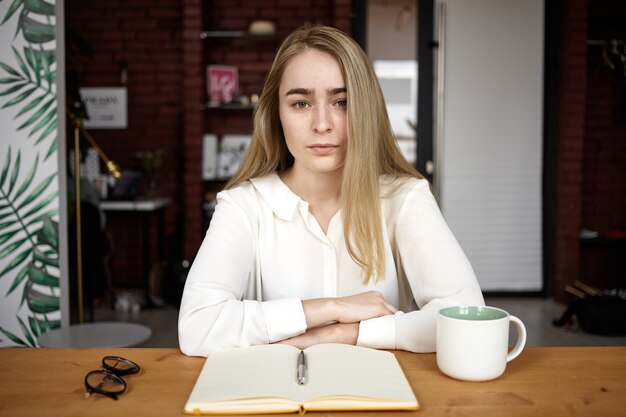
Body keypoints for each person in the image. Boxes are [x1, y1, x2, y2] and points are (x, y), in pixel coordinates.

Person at [178, 25, 484, 357]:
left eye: (341, 101)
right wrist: (331, 308)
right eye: (300, 104)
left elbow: (466, 318)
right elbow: (197, 326)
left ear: (366, 110)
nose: (322, 124)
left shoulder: (405, 198)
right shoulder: (243, 205)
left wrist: (347, 334)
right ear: (275, 113)